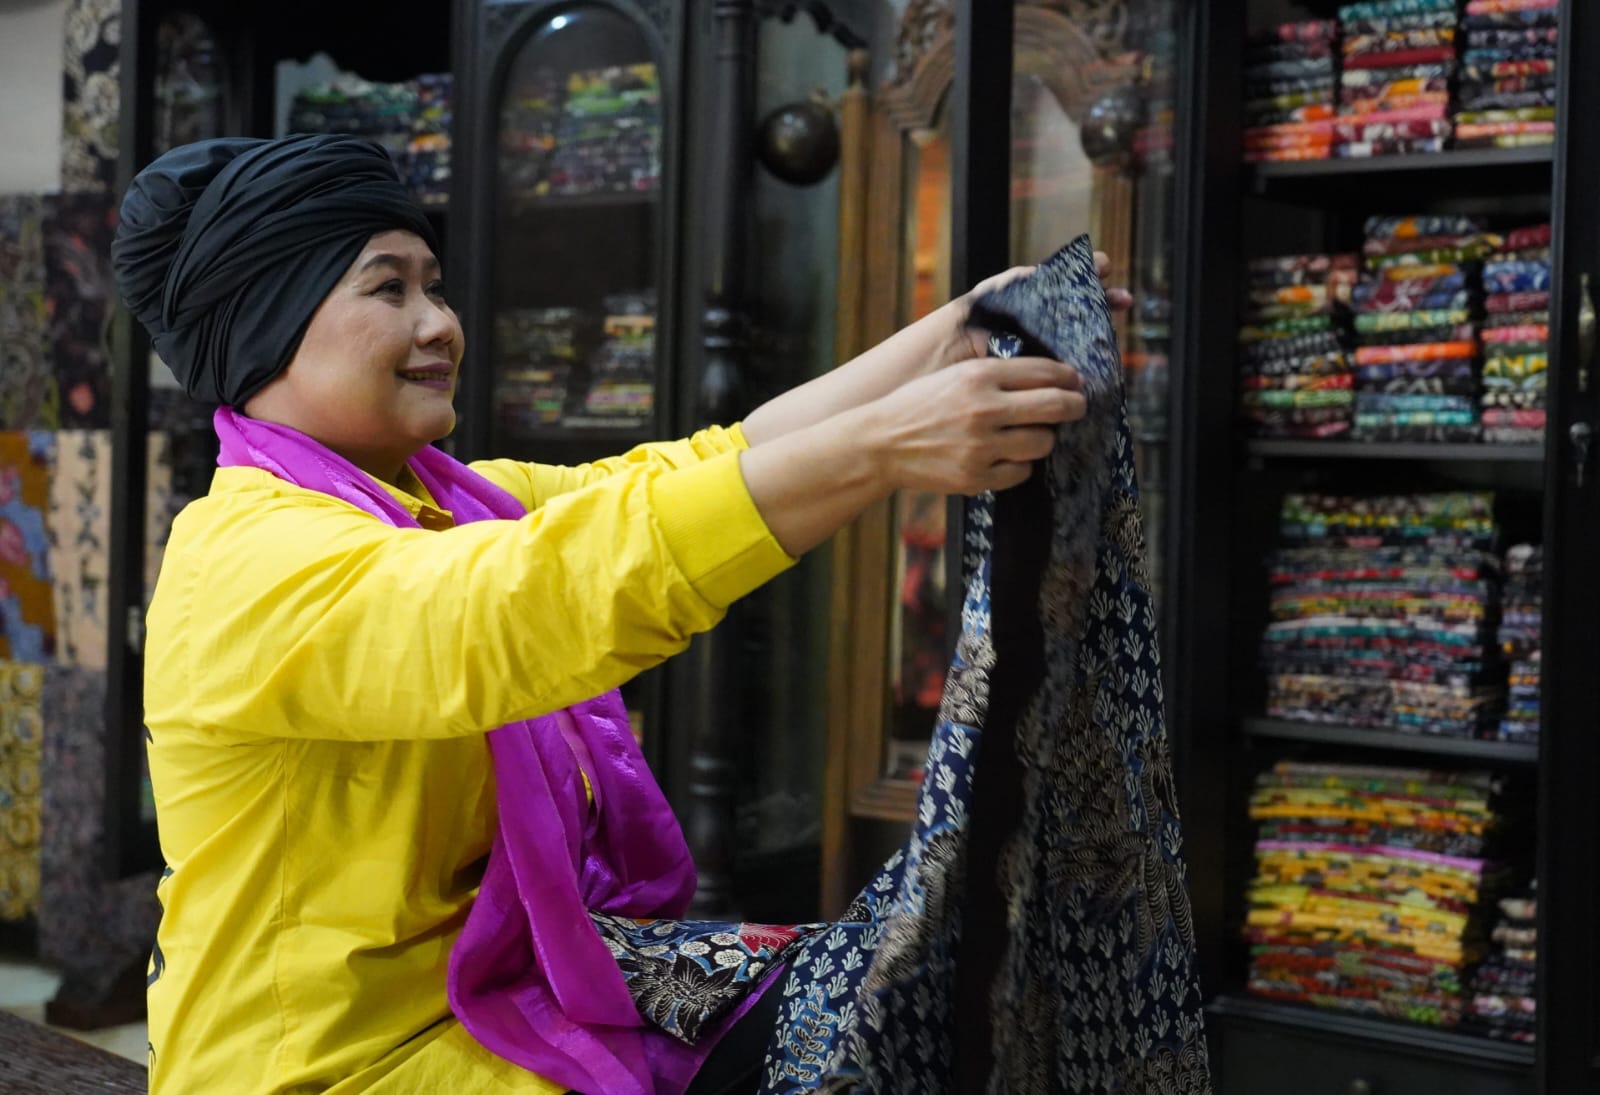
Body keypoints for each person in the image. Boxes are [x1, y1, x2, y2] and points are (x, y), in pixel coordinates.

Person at [112, 133, 1123, 1095]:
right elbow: (532, 601)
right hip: (335, 1066)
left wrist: (951, 333)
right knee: (881, 1022)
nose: (439, 324)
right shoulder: (242, 563)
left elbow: (697, 469)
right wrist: (879, 451)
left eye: (434, 286)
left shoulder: (445, 504)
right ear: (269, 324)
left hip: (493, 1004)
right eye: (389, 289)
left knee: (897, 988)